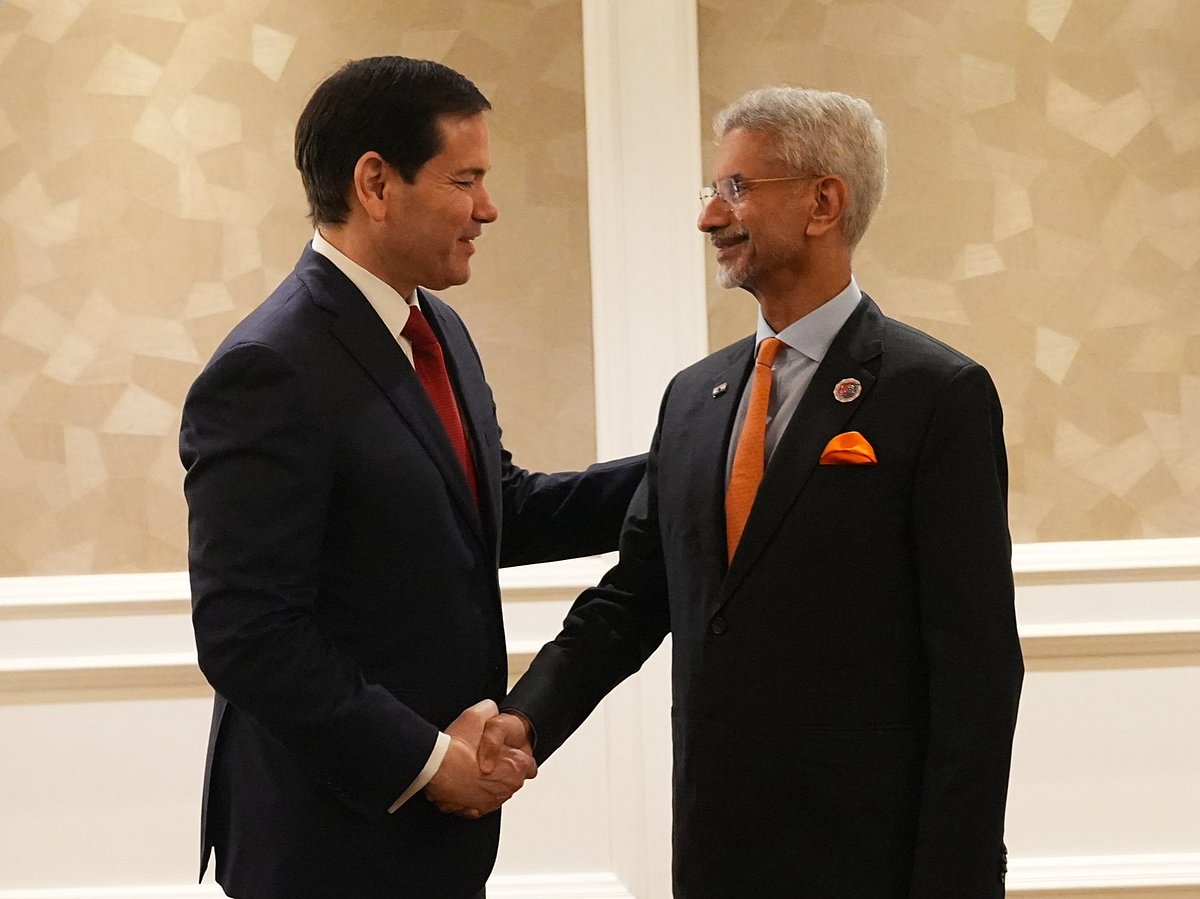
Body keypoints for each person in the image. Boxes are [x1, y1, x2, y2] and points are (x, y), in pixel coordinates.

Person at [483, 86, 1024, 897]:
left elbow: (978, 672)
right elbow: (634, 597)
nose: (710, 216)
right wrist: (524, 719)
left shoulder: (935, 394)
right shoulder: (694, 397)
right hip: (719, 851)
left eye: (736, 188)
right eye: (711, 190)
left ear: (823, 202)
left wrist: (953, 877)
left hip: (872, 860)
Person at [179, 56, 644, 899]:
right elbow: (248, 632)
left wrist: (692, 459)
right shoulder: (269, 366)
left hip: (430, 841)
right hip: (327, 841)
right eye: (465, 179)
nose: (488, 208)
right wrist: (429, 762)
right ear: (374, 182)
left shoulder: (439, 329)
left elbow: (496, 511)